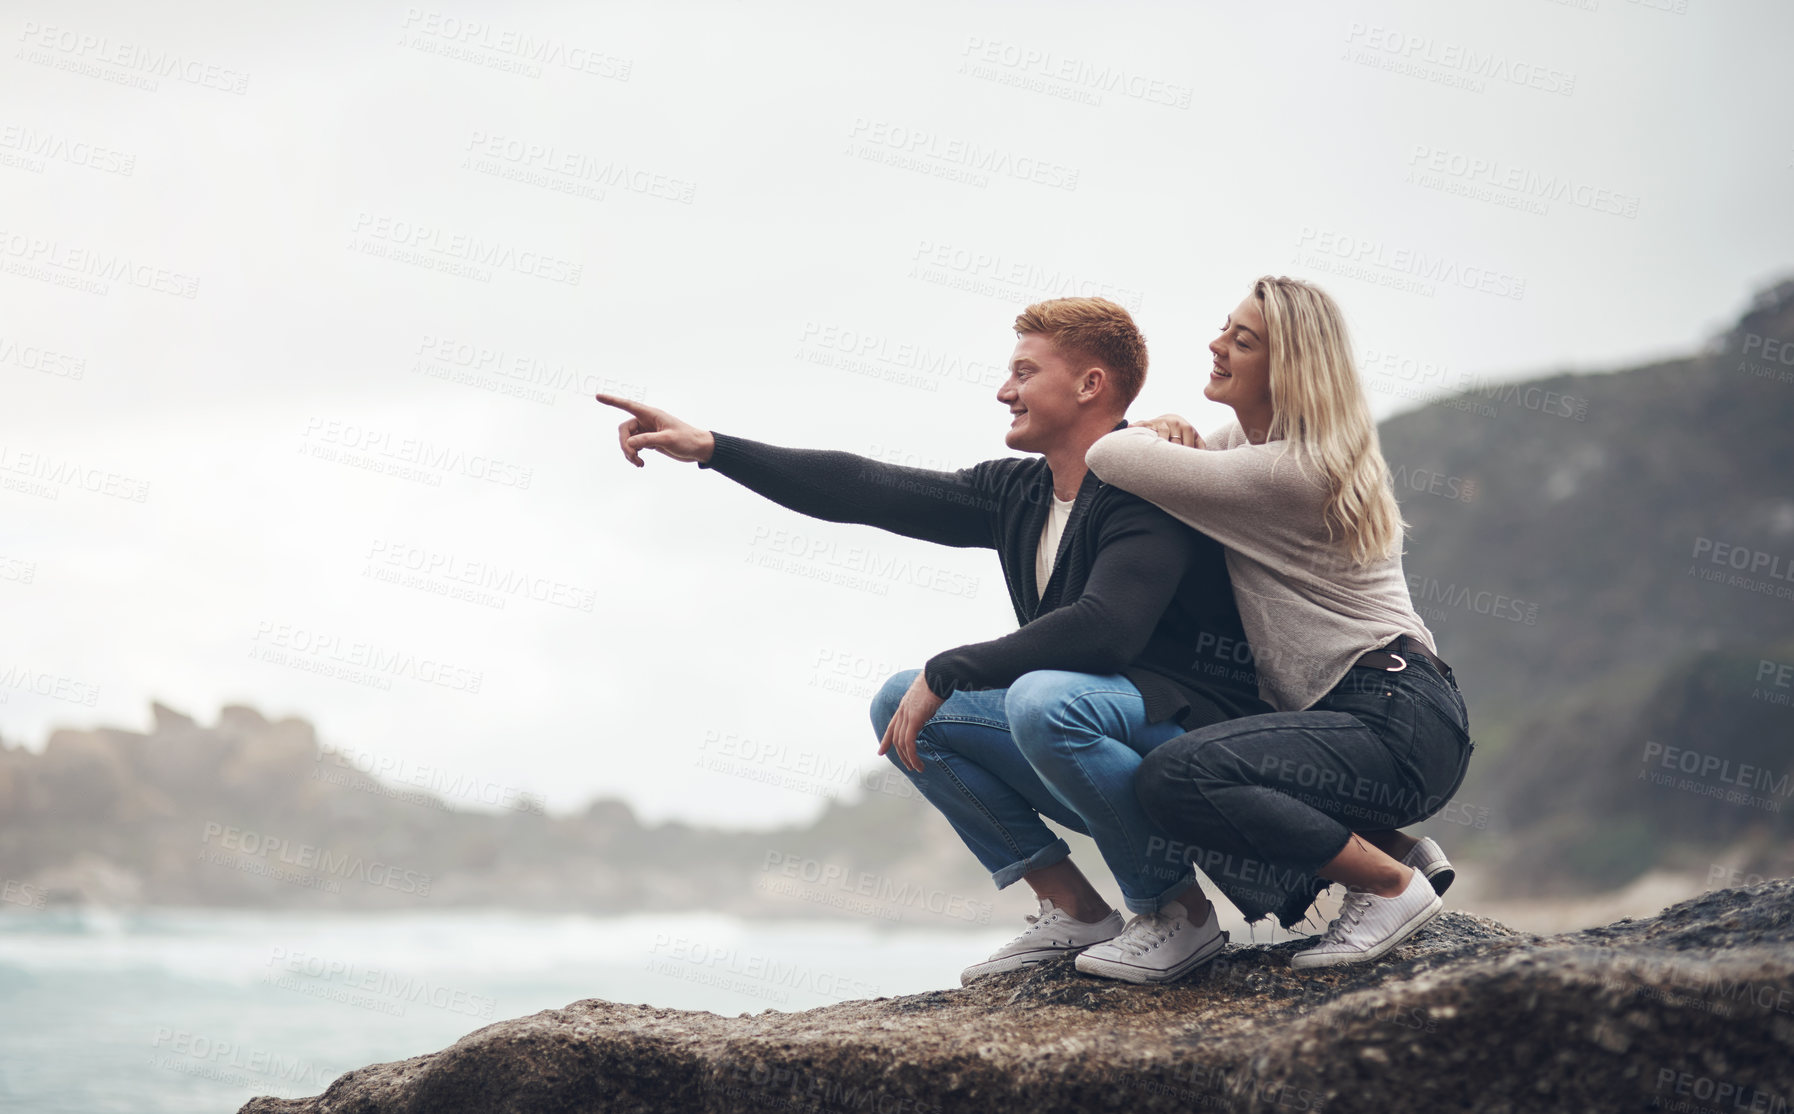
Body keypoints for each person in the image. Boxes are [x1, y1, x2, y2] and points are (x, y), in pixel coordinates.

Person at [596, 296, 1271, 986]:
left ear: (1090, 385)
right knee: (901, 700)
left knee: (1037, 699)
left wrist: (951, 668)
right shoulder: (1020, 493)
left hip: (1192, 759)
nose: (1004, 391)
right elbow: (869, 488)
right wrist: (715, 448)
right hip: (1097, 744)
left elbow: (1107, 630)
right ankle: (1075, 911)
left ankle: (1177, 916)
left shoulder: (1146, 482)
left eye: (1024, 373)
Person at [1083, 275, 1474, 971]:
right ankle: (1395, 848)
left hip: (1392, 713)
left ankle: (1388, 885)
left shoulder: (1293, 470)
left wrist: (1154, 431)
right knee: (1198, 738)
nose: (1217, 345)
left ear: (1288, 367)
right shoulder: (1259, 445)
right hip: (1390, 713)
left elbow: (1109, 456)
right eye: (1224, 328)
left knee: (1179, 776)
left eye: (1243, 339)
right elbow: (1178, 463)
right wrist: (1176, 436)